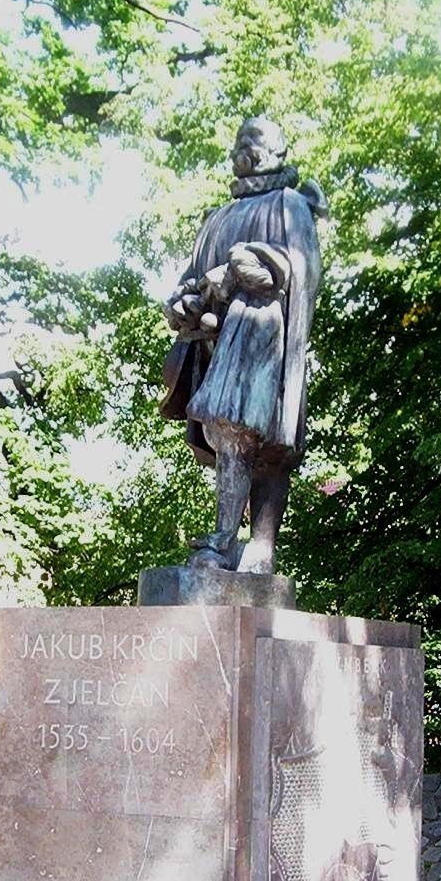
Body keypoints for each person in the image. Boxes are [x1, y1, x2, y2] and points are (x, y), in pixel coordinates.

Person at [160, 117, 326, 573]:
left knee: (264, 444)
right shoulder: (217, 217)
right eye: (240, 141)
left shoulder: (289, 204)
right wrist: (184, 302)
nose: (245, 149)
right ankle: (227, 542)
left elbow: (301, 270)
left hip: (262, 340)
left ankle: (257, 545)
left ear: (277, 149)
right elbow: (188, 278)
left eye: (255, 141)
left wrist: (243, 274)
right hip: (215, 344)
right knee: (228, 437)